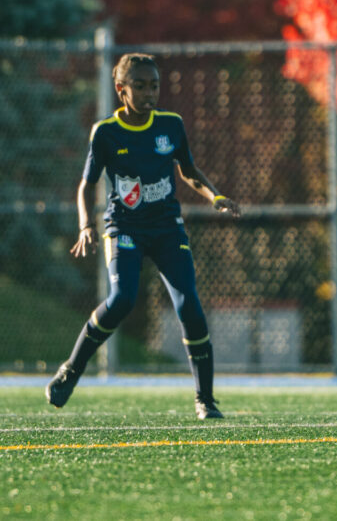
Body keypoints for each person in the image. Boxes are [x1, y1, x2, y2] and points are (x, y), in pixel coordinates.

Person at [46, 53, 241, 419]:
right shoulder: (106, 132)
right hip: (124, 229)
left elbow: (189, 171)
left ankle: (206, 400)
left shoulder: (171, 125)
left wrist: (215, 197)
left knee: (190, 307)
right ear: (122, 90)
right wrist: (86, 224)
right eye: (140, 86)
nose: (150, 92)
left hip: (167, 229)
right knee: (122, 299)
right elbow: (86, 185)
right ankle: (71, 370)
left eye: (154, 85)